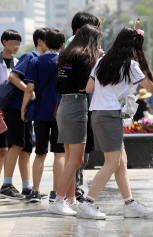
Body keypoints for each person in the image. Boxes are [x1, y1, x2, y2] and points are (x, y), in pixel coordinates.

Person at [79, 26, 153, 220]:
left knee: (121, 161)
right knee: (112, 163)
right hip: (110, 115)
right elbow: (152, 88)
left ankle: (129, 203)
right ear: (134, 47)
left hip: (98, 114)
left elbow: (88, 88)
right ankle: (87, 203)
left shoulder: (102, 62)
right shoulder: (130, 66)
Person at [47, 25, 102, 215]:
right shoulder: (86, 57)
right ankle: (58, 200)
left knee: (71, 158)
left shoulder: (67, 55)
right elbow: (85, 87)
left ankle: (70, 199)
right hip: (76, 106)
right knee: (76, 159)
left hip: (65, 105)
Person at [1, 28, 49, 201]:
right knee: (16, 144)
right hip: (15, 107)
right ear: (41, 42)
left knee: (27, 147)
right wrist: (31, 92)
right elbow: (13, 77)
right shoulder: (29, 57)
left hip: (27, 109)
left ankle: (27, 186)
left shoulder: (41, 59)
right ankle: (6, 184)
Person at [21, 29, 66, 203]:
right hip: (59, 113)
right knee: (59, 153)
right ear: (62, 45)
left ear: (45, 44)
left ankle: (35, 191)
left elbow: (29, 89)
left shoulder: (35, 61)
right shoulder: (64, 62)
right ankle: (56, 192)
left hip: (40, 113)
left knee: (40, 153)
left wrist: (23, 109)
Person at [64, 11, 99, 203]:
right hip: (79, 104)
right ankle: (70, 194)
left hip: (74, 105)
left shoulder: (69, 49)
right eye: (95, 30)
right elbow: (82, 84)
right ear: (81, 30)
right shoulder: (78, 51)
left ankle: (71, 194)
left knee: (77, 156)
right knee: (78, 156)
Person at [0, 29, 23, 199]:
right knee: (2, 148)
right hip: (0, 109)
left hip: (11, 109)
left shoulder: (18, 62)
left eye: (19, 43)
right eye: (13, 42)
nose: (16, 46)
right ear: (4, 43)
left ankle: (5, 184)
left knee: (5, 149)